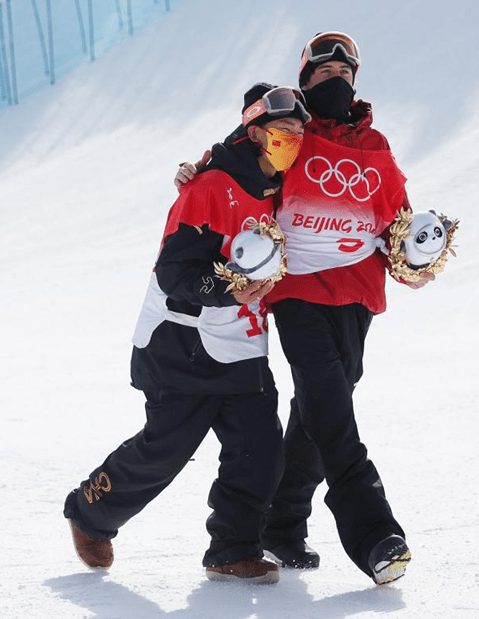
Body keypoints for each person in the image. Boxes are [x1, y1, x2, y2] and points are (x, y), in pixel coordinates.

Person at [175, 32, 426, 585]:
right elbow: (236, 155)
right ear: (305, 79)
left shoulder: (377, 144)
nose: (334, 79)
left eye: (344, 72)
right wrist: (197, 169)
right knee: (329, 406)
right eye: (322, 72)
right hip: (295, 290)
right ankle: (375, 533)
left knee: (319, 410)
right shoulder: (292, 132)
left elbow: (398, 219)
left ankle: (281, 528)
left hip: (357, 292)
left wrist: (418, 254)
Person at [63, 84, 310, 584]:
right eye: (284, 132)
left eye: (299, 134)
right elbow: (174, 273)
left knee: (261, 450)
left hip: (241, 344)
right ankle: (90, 512)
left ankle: (232, 549)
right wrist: (228, 291)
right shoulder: (208, 188)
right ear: (257, 133)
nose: (293, 141)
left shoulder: (279, 188)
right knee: (167, 449)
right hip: (182, 342)